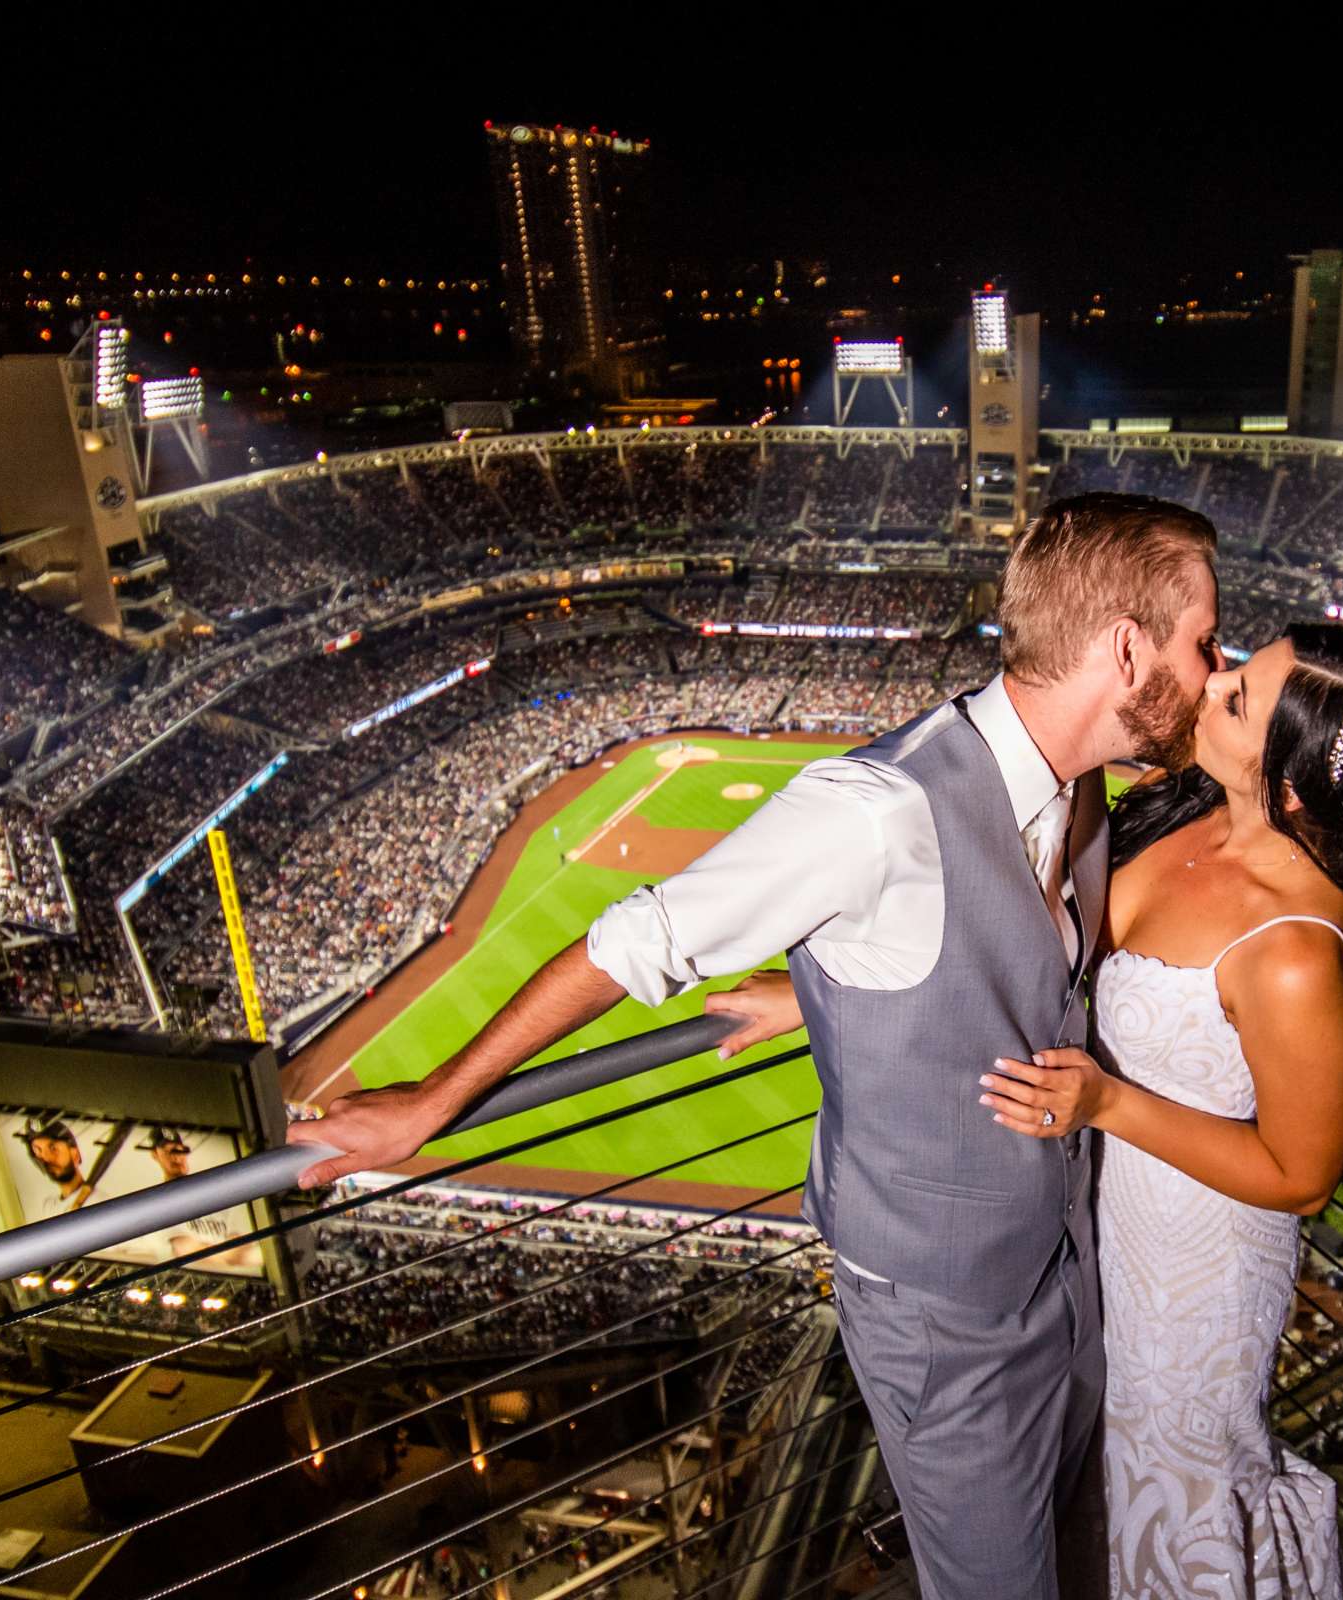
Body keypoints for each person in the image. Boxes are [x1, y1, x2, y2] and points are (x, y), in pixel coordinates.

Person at [289, 492, 1223, 1600]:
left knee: (1081, 1558)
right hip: (944, 1321)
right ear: (1126, 649)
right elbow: (631, 945)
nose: (1213, 670)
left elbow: (979, 966)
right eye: (1204, 642)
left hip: (1065, 1278)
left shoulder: (1077, 794)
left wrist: (828, 987)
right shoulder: (872, 812)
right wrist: (429, 1102)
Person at [718, 622, 1343, 1598]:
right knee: (1091, 1481)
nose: (1213, 681)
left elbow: (1302, 1175)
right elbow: (1022, 950)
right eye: (1235, 665)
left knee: (1171, 1490)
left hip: (1198, 1274)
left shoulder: (1298, 948)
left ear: (1297, 784)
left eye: (1238, 699)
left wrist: (1107, 1103)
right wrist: (812, 999)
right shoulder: (1182, 804)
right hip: (1093, 1212)